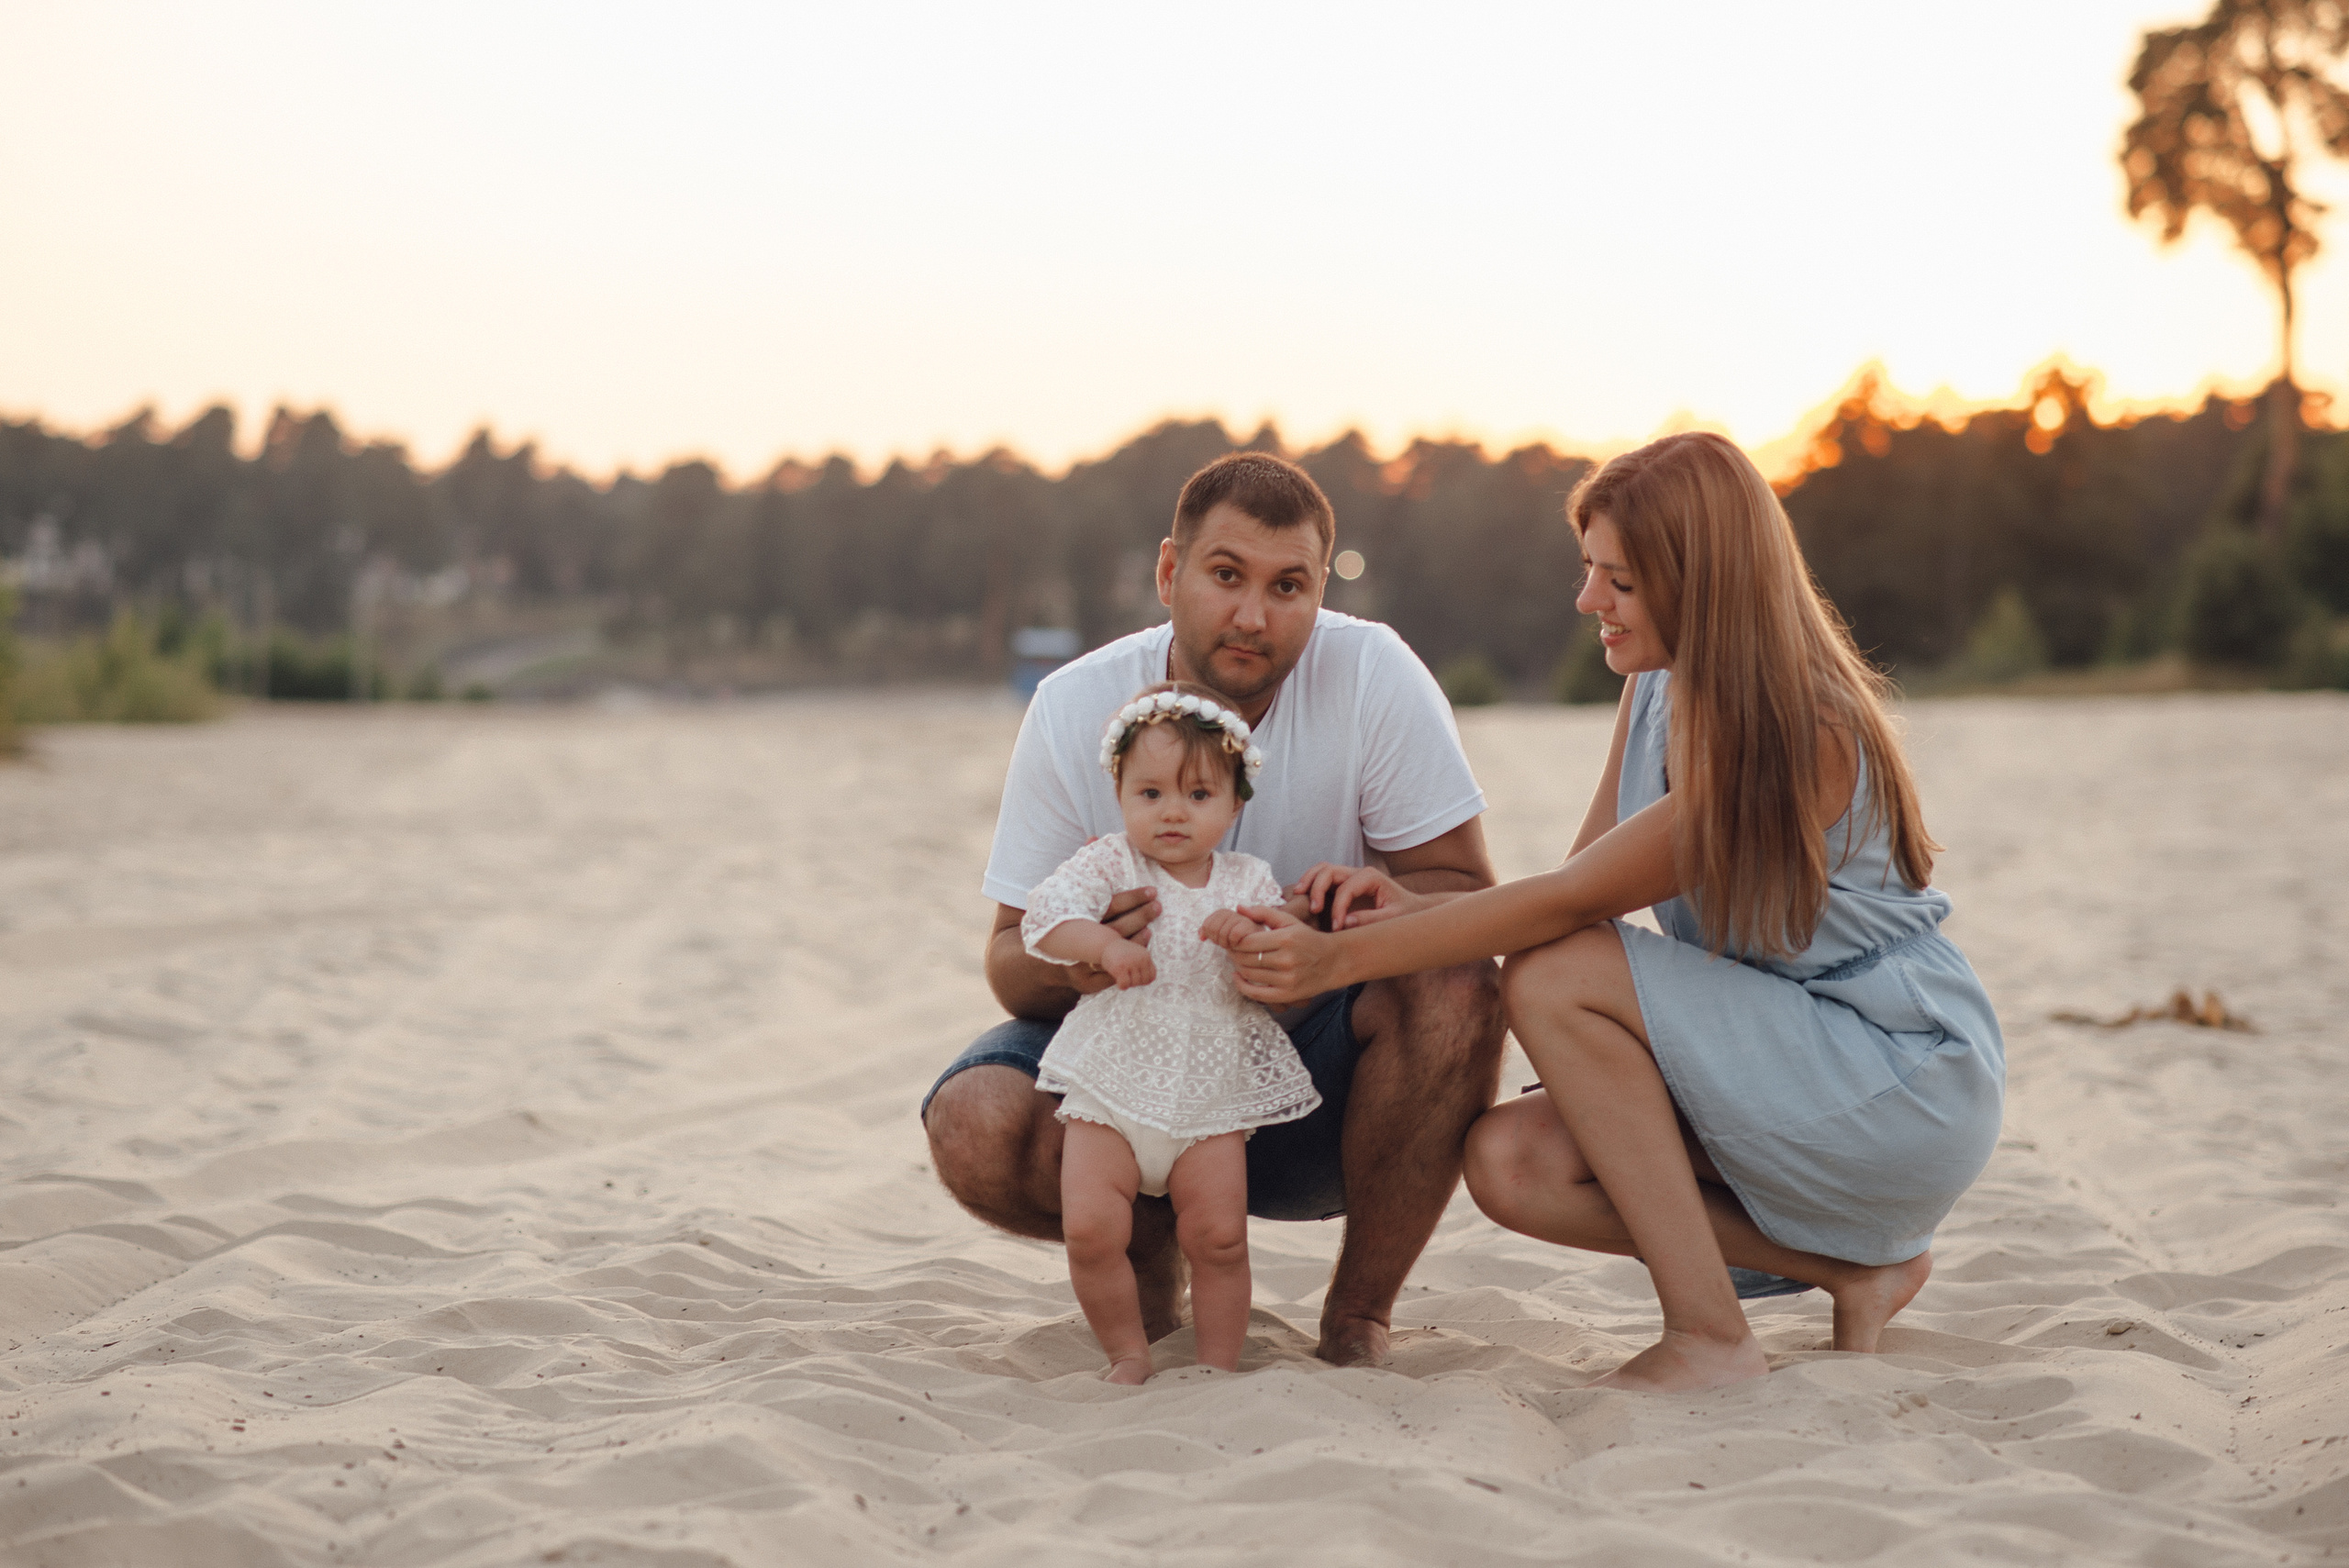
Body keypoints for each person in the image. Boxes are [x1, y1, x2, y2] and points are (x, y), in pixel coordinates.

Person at [1213, 431, 2005, 1394]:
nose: (1588, 600)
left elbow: (1567, 911)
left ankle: (1709, 1335)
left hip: (1894, 1071)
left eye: (1618, 580)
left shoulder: (1802, 727)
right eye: (1589, 569)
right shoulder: (1654, 687)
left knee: (1555, 967)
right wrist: (1400, 907)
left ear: (1701, 580)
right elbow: (1567, 883)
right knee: (1508, 1161)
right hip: (1772, 1047)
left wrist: (1336, 963)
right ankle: (1857, 1271)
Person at [922, 450, 1507, 1369]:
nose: (1252, 614)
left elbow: (1466, 893)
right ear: (1169, 572)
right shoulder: (1075, 705)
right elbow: (1005, 954)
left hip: (1313, 1083)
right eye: (1226, 575)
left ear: (1321, 592)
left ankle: (1357, 1318)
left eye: (1289, 586)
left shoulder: (1370, 673)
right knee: (973, 1119)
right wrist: (1080, 959)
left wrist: (1341, 935)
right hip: (1124, 1058)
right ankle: (1152, 1271)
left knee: (1460, 983)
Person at [1025, 682, 1319, 1382]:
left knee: (1219, 1237)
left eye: (1197, 794)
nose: (1172, 812)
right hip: (1114, 1077)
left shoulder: (1247, 878)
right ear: (1120, 795)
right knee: (1092, 1229)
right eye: (1149, 794)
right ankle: (1128, 1352)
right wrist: (1101, 946)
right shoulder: (1110, 863)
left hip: (1211, 1089)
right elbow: (1044, 916)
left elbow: (1285, 949)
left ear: (1235, 803)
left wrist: (1248, 934)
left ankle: (1216, 1363)